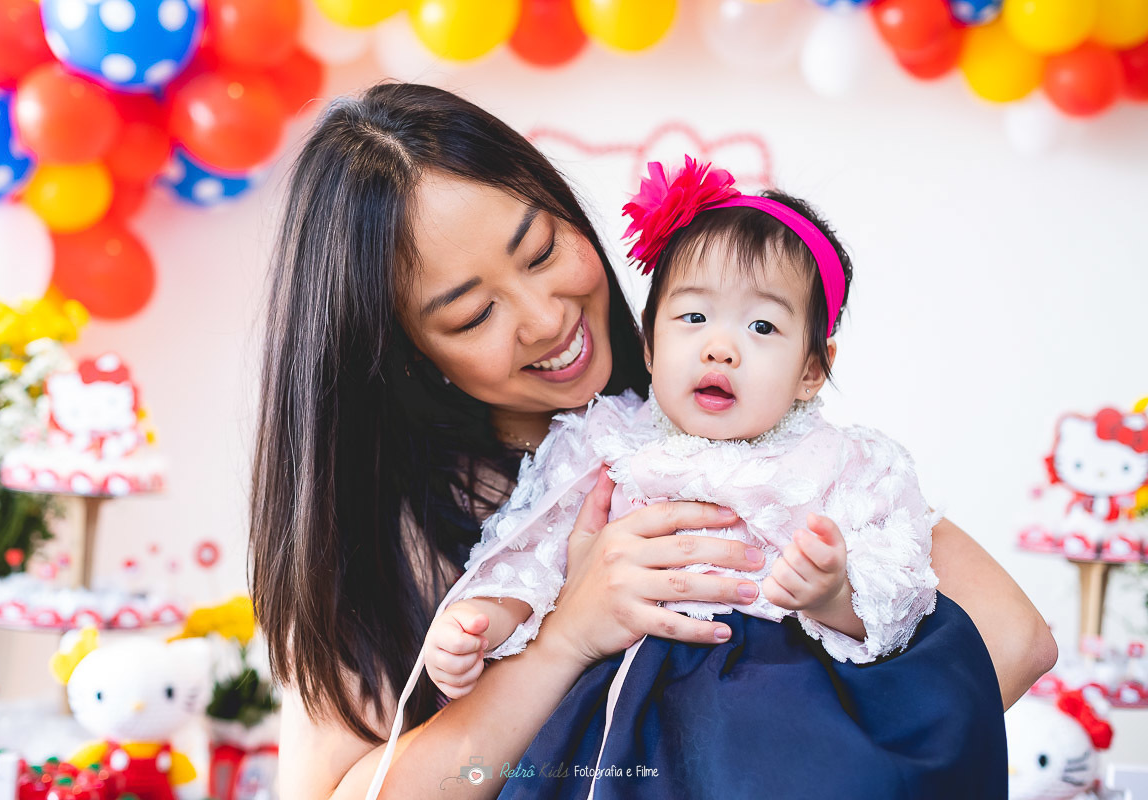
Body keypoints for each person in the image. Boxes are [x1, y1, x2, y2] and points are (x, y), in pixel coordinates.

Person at [248, 83, 1056, 800]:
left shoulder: (741, 440)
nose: (544, 315)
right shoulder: (385, 535)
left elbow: (1015, 642)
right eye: (471, 314)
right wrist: (566, 635)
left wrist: (752, 724)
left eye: (541, 249)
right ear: (402, 350)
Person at [414, 158, 1002, 798]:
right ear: (649, 343)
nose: (721, 347)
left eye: (762, 327)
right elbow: (533, 543)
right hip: (625, 695)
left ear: (813, 369)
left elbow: (904, 581)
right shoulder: (604, 439)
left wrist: (833, 592)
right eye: (693, 318)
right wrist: (486, 619)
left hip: (777, 689)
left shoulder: (841, 461)